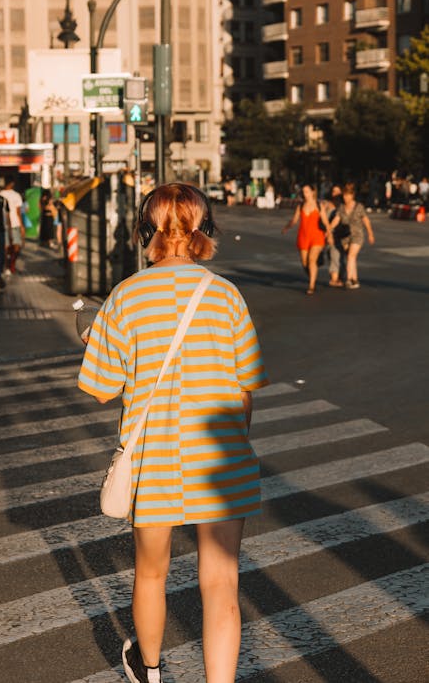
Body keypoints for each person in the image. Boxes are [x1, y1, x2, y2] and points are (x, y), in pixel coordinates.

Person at [78, 183, 269, 683]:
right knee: (222, 583)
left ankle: (152, 672)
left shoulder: (126, 296)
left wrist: (92, 338)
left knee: (151, 574)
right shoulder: (226, 295)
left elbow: (100, 388)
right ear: (205, 231)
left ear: (145, 231)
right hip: (220, 458)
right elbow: (247, 386)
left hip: (154, 460)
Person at [281, 183, 331, 295]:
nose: (305, 194)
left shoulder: (319, 205)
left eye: (307, 191)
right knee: (305, 263)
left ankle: (311, 285)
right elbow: (294, 220)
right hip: (303, 236)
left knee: (312, 260)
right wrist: (286, 227)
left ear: (313, 192)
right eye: (304, 192)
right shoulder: (301, 205)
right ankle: (313, 275)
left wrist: (329, 233)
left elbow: (325, 221)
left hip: (317, 236)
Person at [329, 182, 375, 289]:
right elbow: (337, 219)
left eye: (347, 195)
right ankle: (355, 279)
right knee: (352, 258)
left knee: (350, 256)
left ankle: (349, 280)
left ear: (352, 195)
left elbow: (366, 220)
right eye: (344, 195)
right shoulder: (341, 207)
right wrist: (329, 229)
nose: (345, 198)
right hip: (345, 236)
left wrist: (370, 234)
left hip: (357, 235)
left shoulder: (359, 207)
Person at [0, 179, 25, 274]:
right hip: (15, 223)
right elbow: (18, 212)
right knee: (17, 245)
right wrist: (22, 225)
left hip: (3, 223)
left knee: (5, 246)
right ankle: (12, 264)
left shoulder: (0, 194)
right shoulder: (16, 195)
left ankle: (7, 266)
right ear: (12, 183)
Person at [322, 184, 345, 287]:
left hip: (340, 234)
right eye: (333, 191)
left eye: (338, 191)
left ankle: (335, 278)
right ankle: (337, 276)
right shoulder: (326, 204)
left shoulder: (343, 205)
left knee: (335, 254)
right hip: (327, 233)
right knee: (330, 254)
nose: (335, 194)